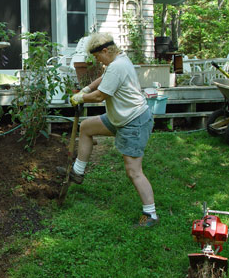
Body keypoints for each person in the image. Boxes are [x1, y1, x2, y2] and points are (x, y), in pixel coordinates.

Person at [58, 32, 158, 227]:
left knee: (133, 171)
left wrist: (82, 98)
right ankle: (78, 172)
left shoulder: (118, 66)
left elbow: (100, 97)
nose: (97, 60)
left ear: (105, 50)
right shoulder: (118, 60)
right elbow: (103, 78)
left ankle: (150, 214)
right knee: (86, 127)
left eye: (97, 56)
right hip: (119, 117)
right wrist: (86, 89)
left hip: (134, 121)